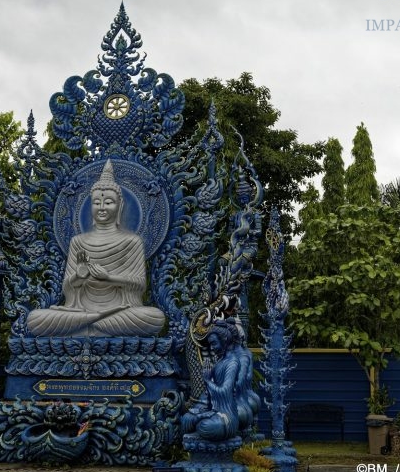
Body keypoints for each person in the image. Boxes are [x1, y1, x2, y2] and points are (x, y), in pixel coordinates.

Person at [27, 160, 165, 337]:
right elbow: (68, 288)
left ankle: (87, 325)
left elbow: (139, 284)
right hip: (80, 309)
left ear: (120, 206)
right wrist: (78, 276)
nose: (101, 207)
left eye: (108, 202)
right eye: (96, 203)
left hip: (120, 311)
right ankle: (94, 322)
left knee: (154, 317)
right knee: (35, 319)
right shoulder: (78, 242)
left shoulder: (132, 241)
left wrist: (110, 278)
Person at [181, 322, 240, 441]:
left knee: (206, 426)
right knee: (186, 419)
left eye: (214, 344)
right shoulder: (219, 361)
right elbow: (208, 395)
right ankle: (200, 419)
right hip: (213, 411)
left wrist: (207, 380)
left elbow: (224, 392)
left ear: (223, 340)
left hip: (225, 415)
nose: (211, 348)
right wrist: (201, 409)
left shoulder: (232, 363)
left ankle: (201, 422)